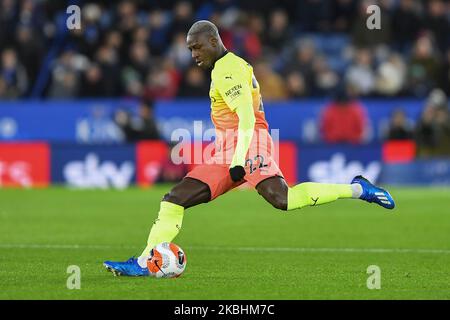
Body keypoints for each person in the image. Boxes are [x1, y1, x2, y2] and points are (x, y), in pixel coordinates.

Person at [103, 20, 396, 276]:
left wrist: (239, 159)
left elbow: (245, 116)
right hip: (229, 149)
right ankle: (145, 262)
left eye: (197, 47)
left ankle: (358, 189)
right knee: (174, 199)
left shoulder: (227, 70)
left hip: (248, 143)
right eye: (190, 49)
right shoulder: (230, 66)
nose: (193, 55)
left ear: (214, 41)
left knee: (283, 199)